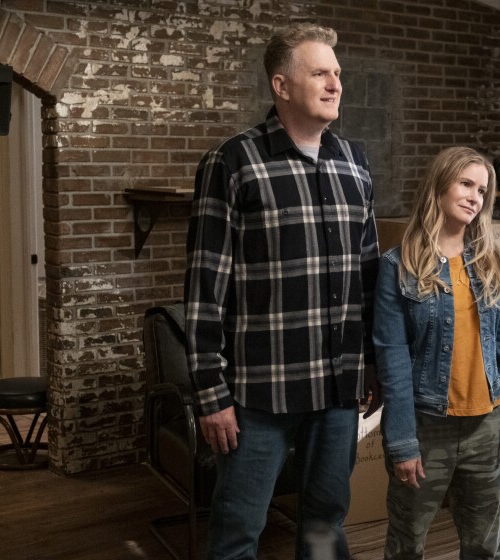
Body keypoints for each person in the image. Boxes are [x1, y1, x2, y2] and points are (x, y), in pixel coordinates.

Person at [184, 22, 381, 560]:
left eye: (337, 73)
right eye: (320, 72)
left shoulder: (354, 163)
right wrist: (210, 395)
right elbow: (205, 288)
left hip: (338, 390)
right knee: (236, 534)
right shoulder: (232, 162)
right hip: (257, 394)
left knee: (324, 527)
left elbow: (368, 277)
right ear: (281, 85)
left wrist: (372, 361)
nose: (335, 83)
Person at [372, 146, 500, 559]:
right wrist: (402, 442)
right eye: (466, 183)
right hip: (426, 425)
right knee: (407, 543)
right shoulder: (398, 265)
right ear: (439, 187)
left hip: (486, 428)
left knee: (483, 546)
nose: (475, 196)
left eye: (482, 190)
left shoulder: (491, 262)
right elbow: (393, 360)